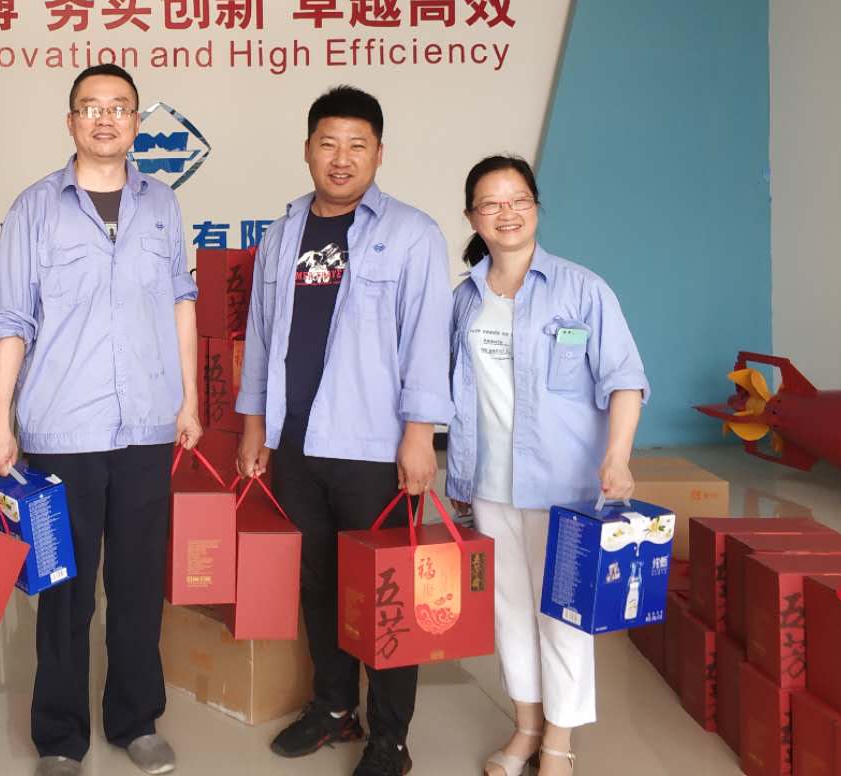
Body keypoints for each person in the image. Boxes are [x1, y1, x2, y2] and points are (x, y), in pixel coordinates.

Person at [0, 64, 200, 776]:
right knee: (63, 591)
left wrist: (189, 399)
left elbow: (181, 303)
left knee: (137, 585)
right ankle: (59, 735)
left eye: (119, 107)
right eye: (91, 107)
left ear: (136, 122)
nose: (105, 119)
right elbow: (10, 318)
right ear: (71, 121)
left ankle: (136, 719)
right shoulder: (35, 207)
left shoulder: (162, 205)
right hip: (61, 430)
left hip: (146, 427)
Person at [236, 85, 452, 776]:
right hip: (296, 444)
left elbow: (426, 340)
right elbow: (260, 334)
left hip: (373, 449)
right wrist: (254, 426)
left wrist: (419, 435)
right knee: (319, 584)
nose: (341, 158)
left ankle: (390, 737)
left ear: (379, 153)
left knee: (388, 594)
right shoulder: (282, 233)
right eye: (327, 143)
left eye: (357, 145)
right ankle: (333, 708)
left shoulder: (412, 233)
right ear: (307, 150)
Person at [445, 155, 648, 776]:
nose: (505, 213)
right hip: (489, 484)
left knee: (564, 615)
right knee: (509, 610)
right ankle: (526, 728)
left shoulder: (582, 289)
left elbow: (625, 380)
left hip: (566, 485)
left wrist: (618, 457)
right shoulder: (464, 299)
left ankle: (558, 743)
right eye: (490, 203)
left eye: (518, 200)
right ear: (472, 217)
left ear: (536, 207)